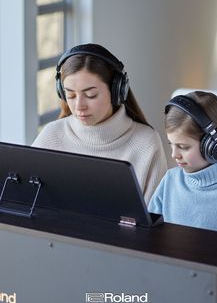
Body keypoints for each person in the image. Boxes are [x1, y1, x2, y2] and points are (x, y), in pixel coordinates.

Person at [32, 43, 167, 204]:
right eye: (71, 95)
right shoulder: (51, 135)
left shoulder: (146, 143)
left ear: (117, 90)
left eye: (91, 95)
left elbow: (155, 220)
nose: (79, 106)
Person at [148, 90, 217, 234]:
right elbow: (150, 235)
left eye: (183, 147)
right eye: (171, 144)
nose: (174, 154)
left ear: (214, 145)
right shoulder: (171, 180)